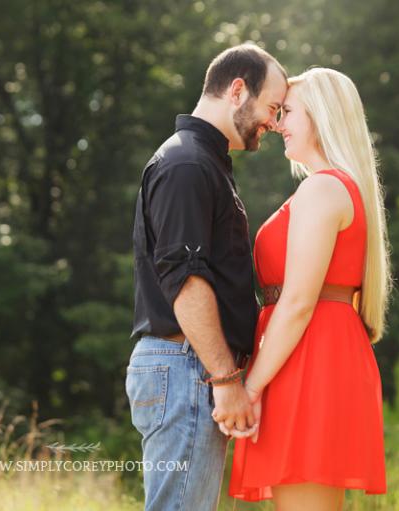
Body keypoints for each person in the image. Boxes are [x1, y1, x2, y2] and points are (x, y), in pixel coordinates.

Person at [223, 67, 394, 511]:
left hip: (309, 358)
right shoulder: (329, 189)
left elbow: (298, 302)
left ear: (322, 116)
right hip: (309, 354)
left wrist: (252, 388)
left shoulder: (323, 189)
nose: (277, 123)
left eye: (288, 112)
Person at [126, 43, 287, 510]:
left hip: (187, 368)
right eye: (272, 108)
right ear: (238, 90)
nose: (274, 123)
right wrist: (225, 379)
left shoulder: (205, 162)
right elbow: (186, 280)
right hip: (187, 369)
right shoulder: (188, 164)